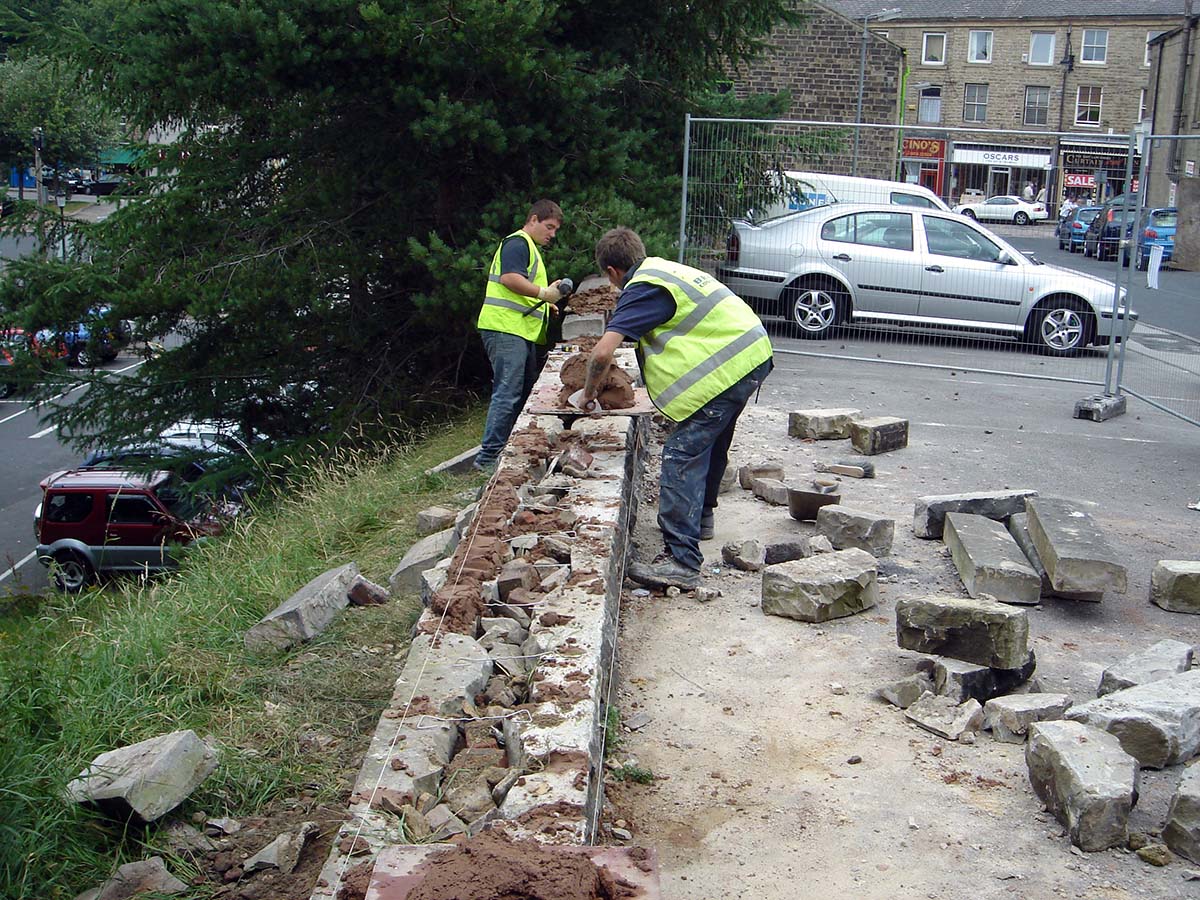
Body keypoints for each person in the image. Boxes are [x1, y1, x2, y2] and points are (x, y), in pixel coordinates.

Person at [579, 227, 773, 590]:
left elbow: (603, 353)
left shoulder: (640, 288)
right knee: (712, 442)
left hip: (731, 366)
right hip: (753, 353)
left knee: (681, 453)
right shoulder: (663, 270)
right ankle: (701, 519)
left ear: (611, 272)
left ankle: (681, 560)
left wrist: (588, 393)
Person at [475, 200, 565, 471]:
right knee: (508, 393)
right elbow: (510, 280)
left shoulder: (529, 249)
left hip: (515, 331)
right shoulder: (518, 243)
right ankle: (488, 459)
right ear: (534, 219)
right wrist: (544, 294)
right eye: (549, 227)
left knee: (524, 391)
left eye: (555, 230)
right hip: (505, 329)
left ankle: (513, 451)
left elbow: (521, 287)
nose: (552, 234)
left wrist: (543, 300)